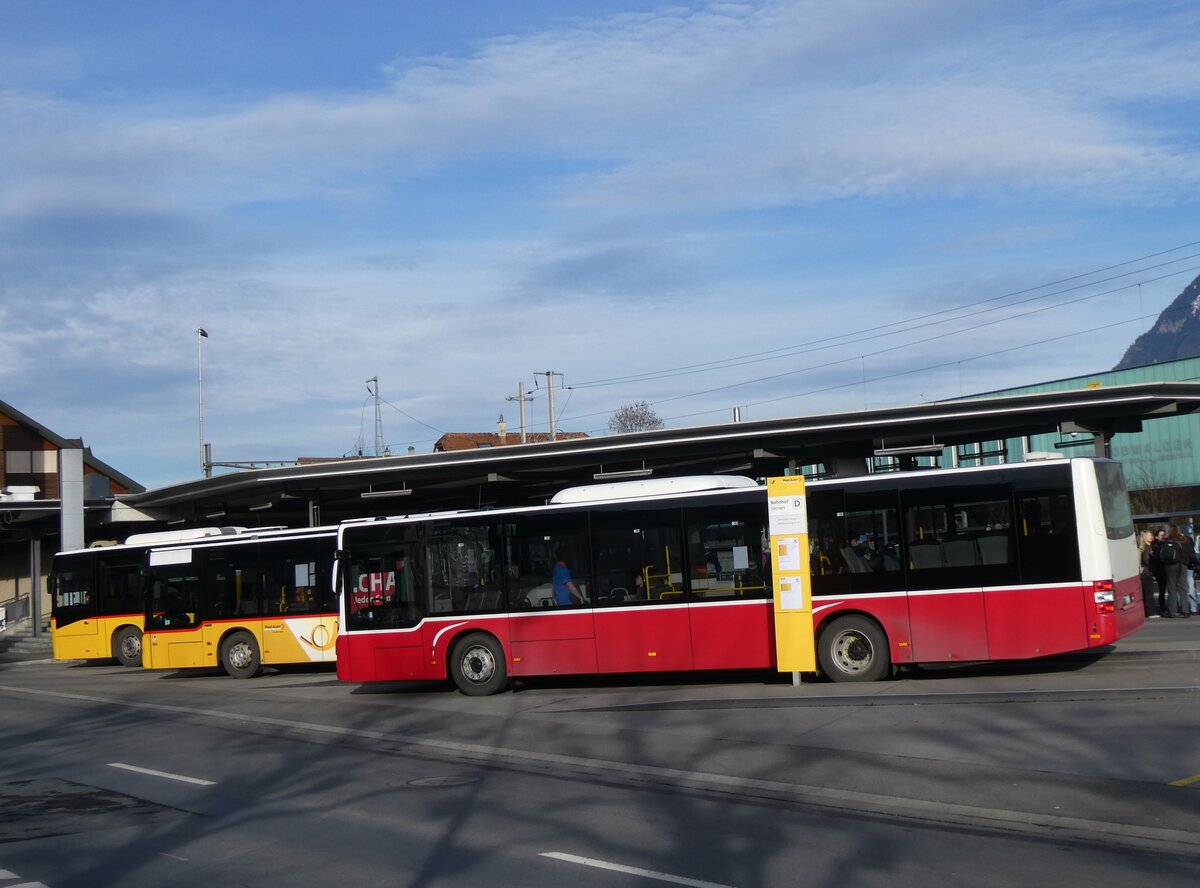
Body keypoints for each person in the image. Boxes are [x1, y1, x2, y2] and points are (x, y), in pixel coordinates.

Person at [1159, 526, 1193, 618]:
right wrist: (1195, 564)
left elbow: (1162, 554)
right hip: (1183, 565)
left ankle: (1172, 611)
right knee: (1183, 588)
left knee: (1171, 588)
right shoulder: (1184, 540)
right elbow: (1190, 554)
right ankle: (1185, 610)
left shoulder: (1166, 541)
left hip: (1170, 566)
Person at [1138, 530, 1158, 618]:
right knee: (1149, 592)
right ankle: (1151, 612)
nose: (1152, 536)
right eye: (1149, 535)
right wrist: (1152, 566)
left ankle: (1147, 611)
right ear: (1145, 537)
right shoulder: (1147, 547)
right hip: (1147, 572)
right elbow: (1146, 559)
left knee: (1146, 592)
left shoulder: (1145, 547)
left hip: (1145, 572)